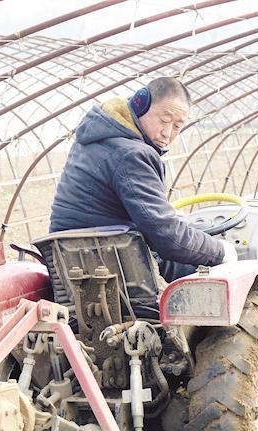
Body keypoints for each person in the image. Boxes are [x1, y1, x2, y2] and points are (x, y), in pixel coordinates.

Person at [49, 77, 235, 282]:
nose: (167, 133)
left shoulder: (95, 137)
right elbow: (169, 238)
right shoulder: (132, 154)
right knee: (209, 270)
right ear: (140, 105)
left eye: (177, 127)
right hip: (112, 265)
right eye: (164, 121)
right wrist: (222, 252)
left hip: (75, 256)